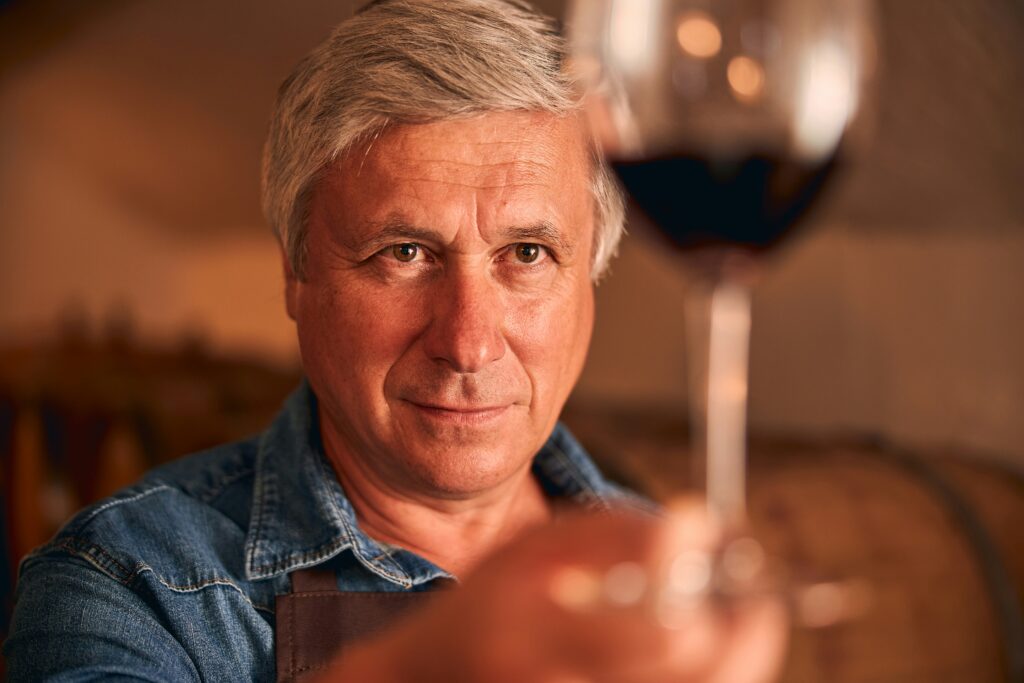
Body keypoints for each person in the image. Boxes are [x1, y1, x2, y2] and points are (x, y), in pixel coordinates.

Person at [4, 1, 787, 680]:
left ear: (593, 279)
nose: (469, 343)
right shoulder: (131, 584)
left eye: (527, 254)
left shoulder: (668, 578)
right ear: (297, 275)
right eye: (404, 254)